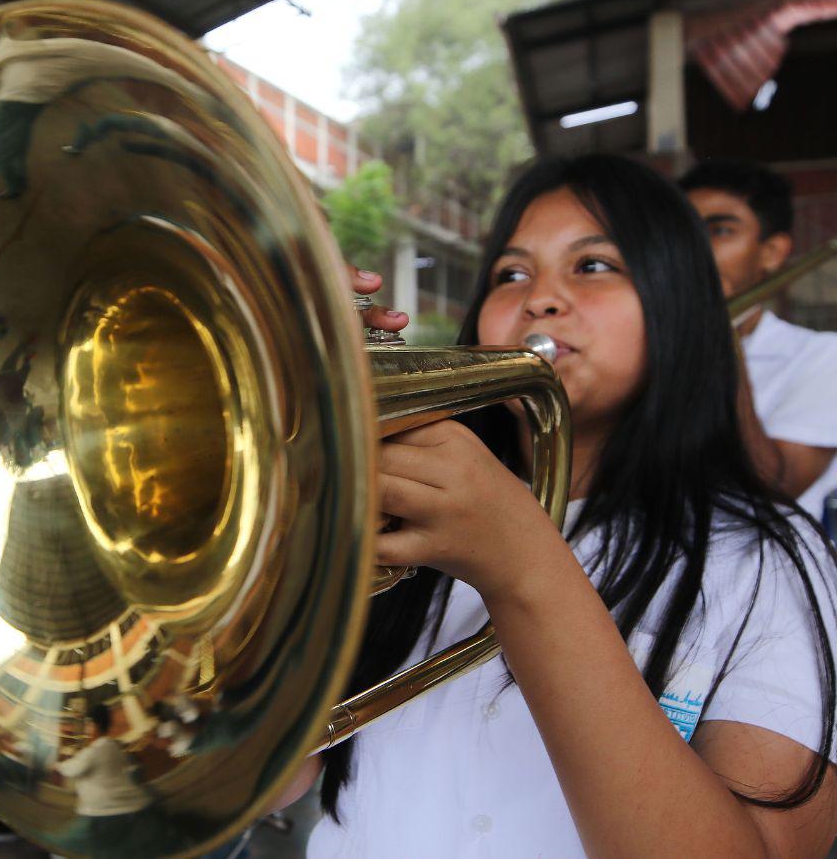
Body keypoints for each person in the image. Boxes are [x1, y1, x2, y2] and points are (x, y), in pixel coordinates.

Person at [272, 154, 837, 856]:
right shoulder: (392, 515)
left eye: (593, 266)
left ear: (677, 306)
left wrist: (523, 566)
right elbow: (279, 775)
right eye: (510, 275)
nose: (539, 298)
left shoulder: (768, 556)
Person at [680, 159, 837, 528]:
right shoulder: (644, 355)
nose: (696, 250)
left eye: (719, 231)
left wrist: (715, 336)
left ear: (773, 252)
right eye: (684, 233)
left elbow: (774, 485)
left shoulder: (822, 356)